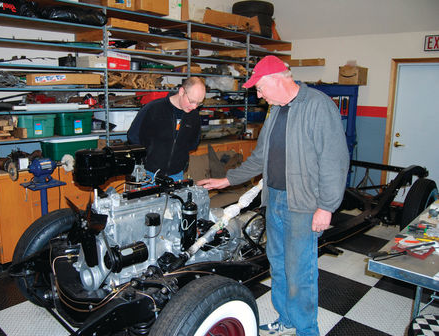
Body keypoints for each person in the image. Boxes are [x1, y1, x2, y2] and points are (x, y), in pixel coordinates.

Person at [197, 56, 349, 336]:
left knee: (300, 270)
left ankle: (306, 329)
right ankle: (287, 318)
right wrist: (227, 179)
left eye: (259, 88)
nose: (258, 95)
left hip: (304, 204)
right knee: (278, 264)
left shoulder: (317, 106)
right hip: (275, 199)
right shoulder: (276, 110)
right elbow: (260, 159)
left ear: (277, 79)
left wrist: (326, 207)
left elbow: (334, 161)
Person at [127, 77, 206, 184]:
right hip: (148, 174)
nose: (194, 107)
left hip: (176, 174)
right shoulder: (153, 109)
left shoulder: (194, 116)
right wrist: (146, 159)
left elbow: (193, 143)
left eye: (199, 103)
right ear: (182, 91)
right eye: (192, 101)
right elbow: (133, 136)